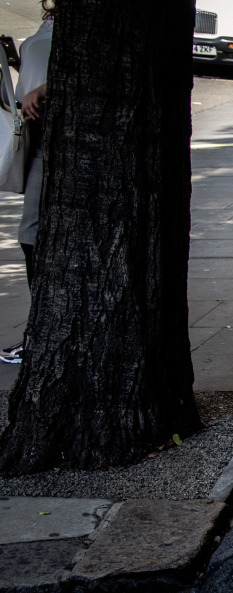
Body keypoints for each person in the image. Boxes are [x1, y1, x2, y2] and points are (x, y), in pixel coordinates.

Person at [1, 14, 52, 365]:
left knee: (31, 231)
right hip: (36, 129)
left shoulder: (88, 19)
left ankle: (40, 330)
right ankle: (42, 327)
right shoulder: (53, 19)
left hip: (54, 130)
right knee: (31, 231)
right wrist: (18, 61)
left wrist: (45, 90)